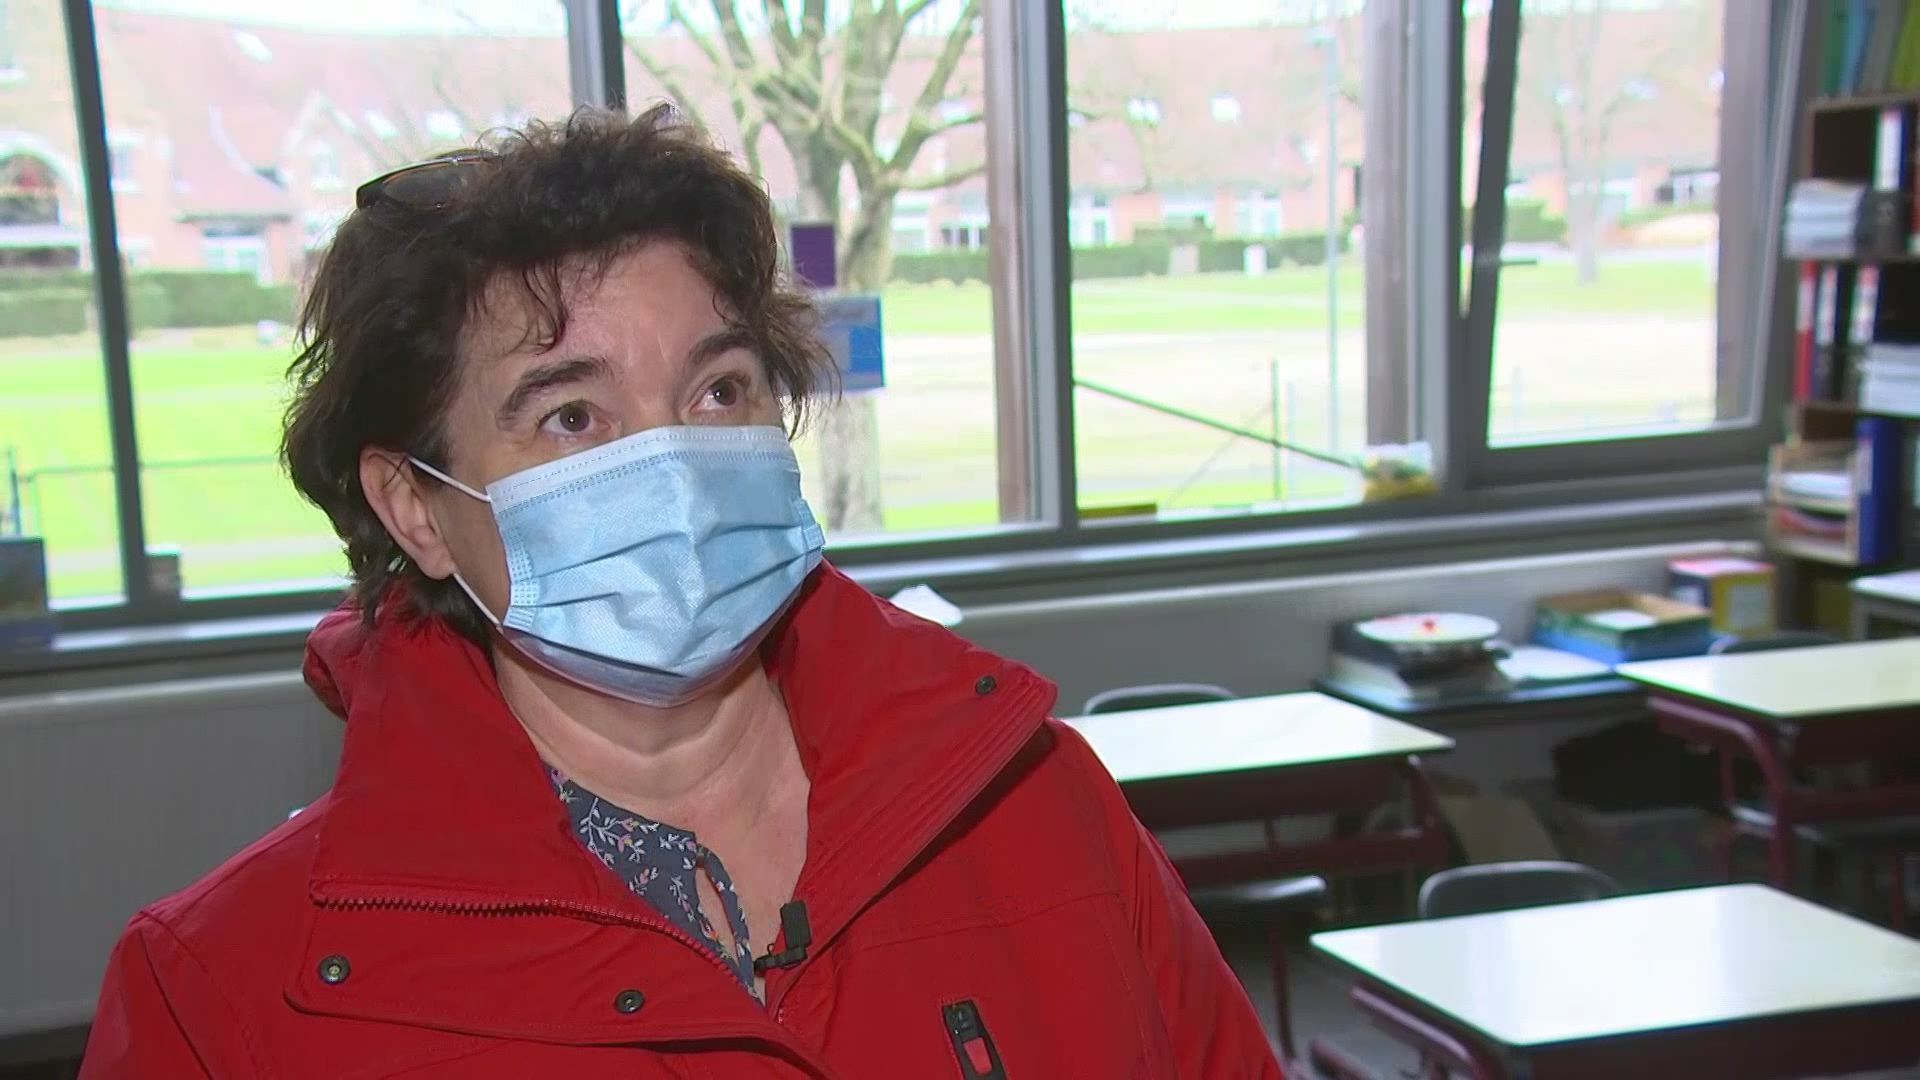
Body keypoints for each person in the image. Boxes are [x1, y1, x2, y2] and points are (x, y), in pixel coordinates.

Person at [78, 105, 1283, 1078]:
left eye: (718, 391)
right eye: (572, 415)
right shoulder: (224, 994)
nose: (674, 467)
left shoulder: (1038, 808)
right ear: (416, 509)